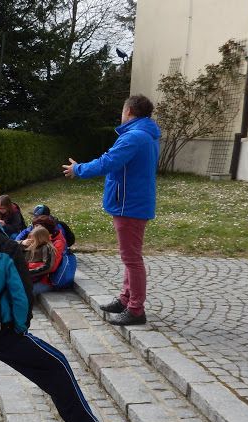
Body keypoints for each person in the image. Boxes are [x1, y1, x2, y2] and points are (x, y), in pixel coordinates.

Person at [0, 182, 119, 422]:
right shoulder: (5, 246)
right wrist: (19, 328)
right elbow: (20, 295)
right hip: (1, 332)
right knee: (57, 364)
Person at [63, 94, 160, 326]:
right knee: (129, 256)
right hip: (132, 203)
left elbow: (108, 162)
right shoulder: (144, 135)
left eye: (122, 110)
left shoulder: (134, 137)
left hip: (130, 205)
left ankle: (136, 309)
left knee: (131, 258)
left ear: (129, 112)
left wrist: (79, 169)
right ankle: (126, 299)